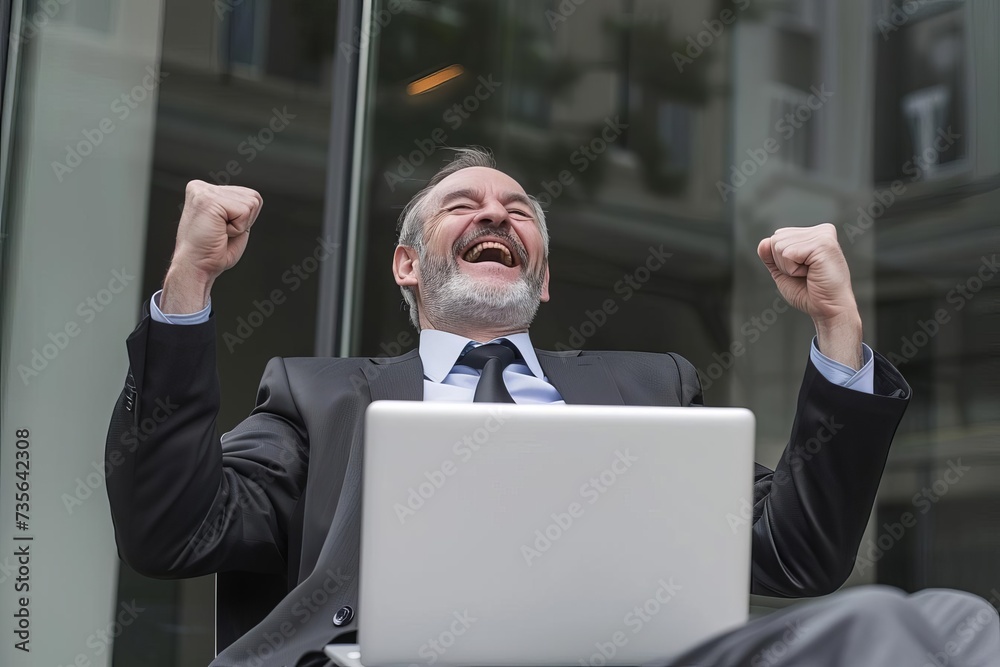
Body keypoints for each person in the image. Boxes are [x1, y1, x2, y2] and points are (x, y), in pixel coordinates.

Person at [105, 148, 999, 666]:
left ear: (539, 277)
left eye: (518, 210)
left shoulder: (650, 386)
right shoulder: (320, 397)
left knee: (962, 621)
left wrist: (838, 325)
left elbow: (796, 552)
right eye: (464, 204)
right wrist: (189, 288)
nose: (497, 213)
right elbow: (171, 527)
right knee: (889, 627)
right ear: (409, 267)